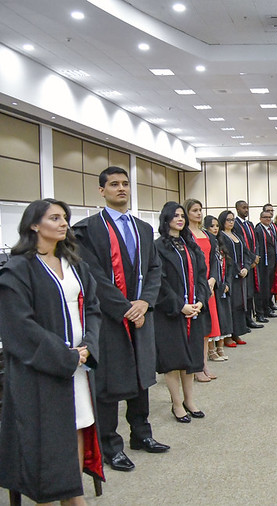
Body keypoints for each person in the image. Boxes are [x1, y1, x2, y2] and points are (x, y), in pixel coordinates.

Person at [0, 199, 104, 504]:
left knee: (75, 433)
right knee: (46, 451)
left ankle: (72, 495)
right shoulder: (18, 269)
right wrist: (67, 357)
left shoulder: (76, 264)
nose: (63, 223)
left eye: (65, 218)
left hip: (79, 369)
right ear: (34, 224)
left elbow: (93, 310)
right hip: (42, 373)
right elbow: (20, 327)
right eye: (55, 218)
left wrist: (88, 347)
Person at [73, 166, 168, 472]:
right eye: (114, 184)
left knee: (141, 378)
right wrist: (126, 309)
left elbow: (154, 269)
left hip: (141, 315)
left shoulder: (143, 229)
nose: (121, 188)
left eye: (125, 184)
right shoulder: (87, 230)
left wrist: (144, 302)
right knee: (111, 382)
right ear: (102, 191)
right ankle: (110, 445)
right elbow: (94, 276)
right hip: (110, 318)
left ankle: (141, 434)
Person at [153, 202, 210, 423]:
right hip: (170, 312)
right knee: (174, 359)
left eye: (182, 215)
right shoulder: (158, 247)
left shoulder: (190, 245)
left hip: (194, 310)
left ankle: (189, 400)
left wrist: (200, 301)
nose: (180, 219)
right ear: (166, 219)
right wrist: (179, 305)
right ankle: (177, 404)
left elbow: (201, 276)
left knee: (190, 358)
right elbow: (159, 282)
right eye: (175, 215)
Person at [184, 199, 218, 382]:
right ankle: (195, 366)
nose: (198, 213)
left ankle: (204, 364)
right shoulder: (185, 235)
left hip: (208, 286)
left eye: (200, 210)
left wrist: (213, 279)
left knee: (206, 329)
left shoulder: (207, 234)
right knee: (195, 329)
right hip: (193, 285)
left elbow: (214, 259)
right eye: (194, 210)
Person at [217, 210, 255, 345]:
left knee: (240, 304)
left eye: (232, 220)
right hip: (230, 274)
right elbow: (226, 256)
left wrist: (246, 267)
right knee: (231, 304)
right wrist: (237, 270)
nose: (231, 222)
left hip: (242, 274)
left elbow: (245, 252)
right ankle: (228, 335)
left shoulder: (237, 235)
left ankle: (237, 333)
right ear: (222, 221)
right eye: (228, 220)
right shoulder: (220, 236)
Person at [204, 215, 233, 362]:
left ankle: (220, 348)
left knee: (223, 318)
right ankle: (211, 350)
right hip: (212, 287)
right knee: (213, 318)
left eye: (217, 226)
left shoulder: (220, 243)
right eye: (212, 226)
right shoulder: (206, 245)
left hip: (223, 285)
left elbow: (228, 266)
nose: (215, 229)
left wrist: (227, 283)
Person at [232, 200, 262, 329]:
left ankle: (250, 318)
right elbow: (242, 246)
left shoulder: (249, 224)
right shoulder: (236, 224)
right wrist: (251, 260)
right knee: (245, 293)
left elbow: (256, 242)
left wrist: (256, 257)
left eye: (247, 207)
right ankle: (245, 320)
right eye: (243, 208)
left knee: (251, 292)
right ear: (237, 209)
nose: (246, 210)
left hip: (253, 261)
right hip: (245, 263)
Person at [254, 210, 277, 320]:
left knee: (269, 286)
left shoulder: (271, 229)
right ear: (260, 218)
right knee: (262, 288)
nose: (268, 219)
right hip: (263, 263)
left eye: (269, 217)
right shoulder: (258, 229)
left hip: (272, 262)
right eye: (265, 217)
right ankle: (261, 312)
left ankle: (268, 307)